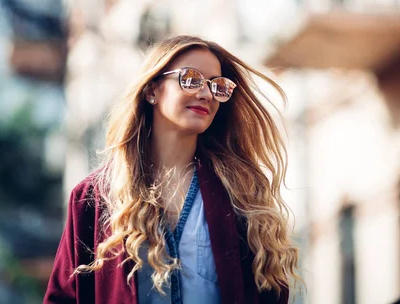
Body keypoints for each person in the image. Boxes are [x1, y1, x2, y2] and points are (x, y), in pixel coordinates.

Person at [44, 35, 302, 304]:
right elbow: (62, 297)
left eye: (217, 86)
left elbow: (271, 291)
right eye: (191, 79)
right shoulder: (95, 197)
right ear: (152, 90)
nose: (205, 94)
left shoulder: (242, 195)